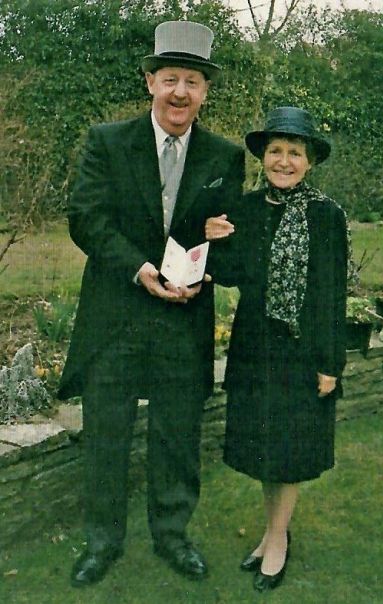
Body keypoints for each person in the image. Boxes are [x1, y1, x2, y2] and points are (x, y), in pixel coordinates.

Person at [58, 20, 244, 587]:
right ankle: (102, 541)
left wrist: (215, 247)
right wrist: (140, 269)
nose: (180, 92)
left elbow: (226, 240)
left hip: (183, 318)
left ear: (206, 90)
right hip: (115, 316)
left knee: (176, 435)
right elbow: (87, 218)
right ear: (150, 82)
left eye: (192, 80)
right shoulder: (107, 142)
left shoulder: (224, 156)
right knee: (107, 435)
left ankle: (171, 535)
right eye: (170, 79)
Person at [206, 106, 348, 593]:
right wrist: (211, 239)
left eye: (294, 152)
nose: (283, 161)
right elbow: (230, 274)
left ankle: (277, 539)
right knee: (267, 450)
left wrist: (332, 363)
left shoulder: (327, 215)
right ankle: (272, 533)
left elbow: (332, 294)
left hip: (303, 351)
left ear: (309, 161)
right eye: (275, 151)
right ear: (263, 157)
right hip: (255, 348)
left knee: (290, 451)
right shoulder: (246, 209)